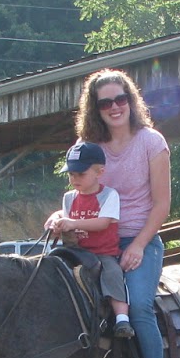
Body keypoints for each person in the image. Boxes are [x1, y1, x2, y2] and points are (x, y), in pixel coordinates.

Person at [74, 69, 171, 358]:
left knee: (140, 306)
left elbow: (162, 204)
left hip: (136, 239)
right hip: (91, 244)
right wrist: (62, 218)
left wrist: (140, 245)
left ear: (131, 101)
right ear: (95, 109)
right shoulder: (88, 146)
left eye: (121, 99)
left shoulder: (151, 142)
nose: (115, 107)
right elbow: (77, 192)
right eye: (105, 103)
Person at [44, 142, 134, 339]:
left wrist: (72, 222)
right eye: (71, 174)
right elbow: (67, 224)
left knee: (112, 273)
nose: (75, 178)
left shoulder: (109, 195)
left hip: (102, 253)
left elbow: (103, 223)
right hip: (75, 251)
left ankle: (122, 319)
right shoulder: (68, 198)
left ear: (99, 172)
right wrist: (58, 226)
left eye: (81, 174)